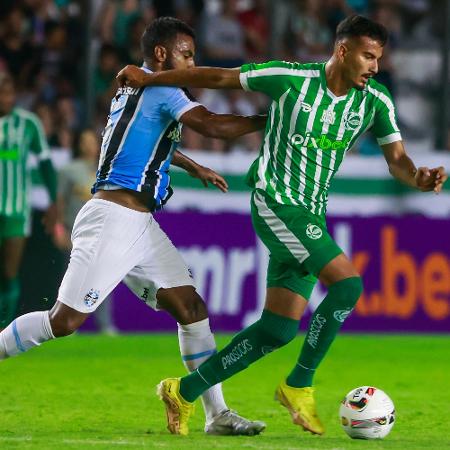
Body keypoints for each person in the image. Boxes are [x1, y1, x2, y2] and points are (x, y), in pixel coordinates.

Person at [116, 14, 448, 436]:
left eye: (378, 58)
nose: (374, 66)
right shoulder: (288, 78)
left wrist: (418, 177)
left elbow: (397, 161)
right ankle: (299, 384)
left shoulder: (375, 102)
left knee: (277, 329)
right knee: (349, 286)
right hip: (277, 202)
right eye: (367, 56)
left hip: (311, 213)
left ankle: (183, 390)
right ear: (342, 51)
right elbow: (220, 77)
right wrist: (150, 80)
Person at [0, 17, 267, 436]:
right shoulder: (162, 87)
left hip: (139, 223)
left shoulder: (136, 88)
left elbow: (148, 141)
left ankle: (218, 414)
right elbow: (214, 125)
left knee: (191, 308)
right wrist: (268, 120)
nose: (192, 63)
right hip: (112, 218)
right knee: (63, 321)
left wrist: (193, 165)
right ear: (161, 54)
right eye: (186, 54)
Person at [0, 72, 58, 329]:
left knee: (9, 274)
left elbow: (45, 163)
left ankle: (2, 328)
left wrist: (53, 202)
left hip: (16, 211)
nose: (5, 97)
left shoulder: (28, 124)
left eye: (9, 91)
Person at [54, 129, 118, 335]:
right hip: (76, 233)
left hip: (102, 234)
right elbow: (59, 203)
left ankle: (105, 324)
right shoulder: (68, 170)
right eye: (84, 141)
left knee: (103, 278)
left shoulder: (106, 170)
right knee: (74, 280)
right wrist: (58, 229)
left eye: (92, 141)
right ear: (78, 144)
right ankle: (67, 324)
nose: (89, 145)